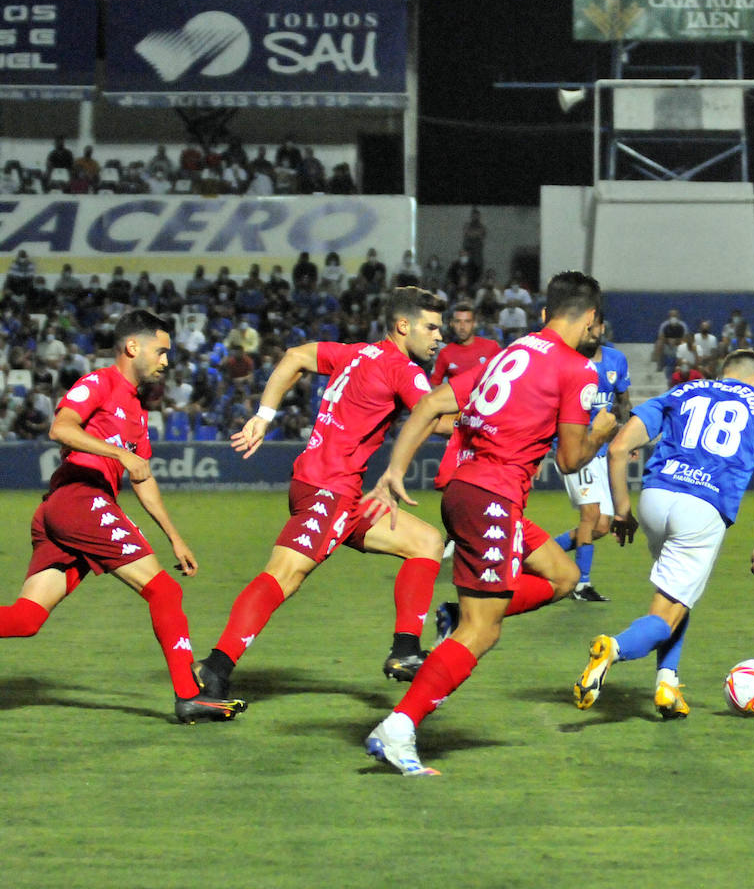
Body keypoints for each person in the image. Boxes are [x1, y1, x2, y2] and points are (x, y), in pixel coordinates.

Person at [361, 271, 616, 776]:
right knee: (483, 631)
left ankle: (457, 616)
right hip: (491, 499)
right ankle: (398, 727)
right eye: (598, 322)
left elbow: (432, 404)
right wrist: (600, 433)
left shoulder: (511, 351)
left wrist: (394, 470)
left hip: (470, 491)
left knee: (563, 575)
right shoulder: (578, 369)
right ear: (589, 317)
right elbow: (570, 460)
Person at [191, 288, 447, 704]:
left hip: (332, 488)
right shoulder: (403, 369)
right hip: (330, 490)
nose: (439, 336)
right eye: (432, 327)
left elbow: (295, 356)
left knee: (426, 542)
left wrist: (264, 416)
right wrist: (492, 416)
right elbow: (435, 418)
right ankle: (215, 668)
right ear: (404, 326)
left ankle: (405, 651)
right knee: (284, 575)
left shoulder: (354, 353)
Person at [0, 310, 246, 723]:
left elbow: (142, 476)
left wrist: (175, 538)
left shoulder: (136, 409)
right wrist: (118, 453)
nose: (165, 361)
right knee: (165, 592)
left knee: (26, 619)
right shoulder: (99, 382)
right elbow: (61, 429)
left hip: (68, 510)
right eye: (161, 351)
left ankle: (191, 697)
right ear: (133, 346)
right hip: (79, 498)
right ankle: (190, 696)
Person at [573, 349, 754, 719]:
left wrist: (622, 511)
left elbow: (619, 448)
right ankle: (614, 648)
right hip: (703, 506)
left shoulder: (683, 391)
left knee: (676, 597)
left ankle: (667, 684)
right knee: (668, 609)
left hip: (655, 498)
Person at [545, 317, 631, 603]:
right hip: (575, 448)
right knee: (590, 516)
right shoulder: (567, 363)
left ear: (602, 328)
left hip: (603, 449)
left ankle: (535, 554)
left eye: (594, 326)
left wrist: (627, 436)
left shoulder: (616, 360)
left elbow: (624, 401)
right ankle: (581, 584)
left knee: (602, 527)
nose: (590, 331)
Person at [429, 299, 502, 386]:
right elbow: (434, 385)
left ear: (474, 323)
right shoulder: (445, 353)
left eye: (467, 321)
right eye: (458, 321)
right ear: (451, 323)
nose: (462, 327)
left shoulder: (491, 347)